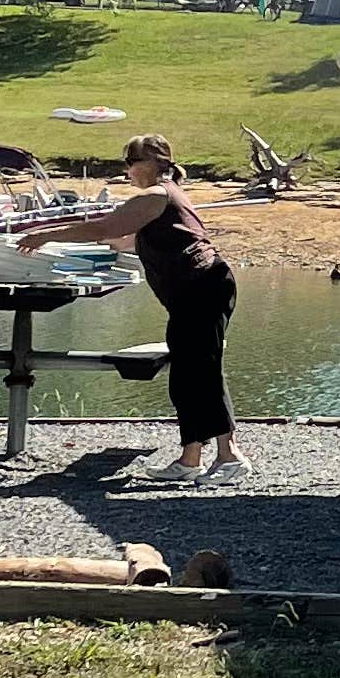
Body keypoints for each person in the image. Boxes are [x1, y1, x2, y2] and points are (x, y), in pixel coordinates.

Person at [80, 133, 246, 479]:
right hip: (195, 292)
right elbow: (120, 238)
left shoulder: (157, 195)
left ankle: (230, 457)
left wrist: (45, 235)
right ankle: (192, 459)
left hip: (203, 288)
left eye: (132, 161)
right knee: (189, 375)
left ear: (156, 162)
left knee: (201, 371)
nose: (127, 171)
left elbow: (107, 225)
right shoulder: (164, 199)